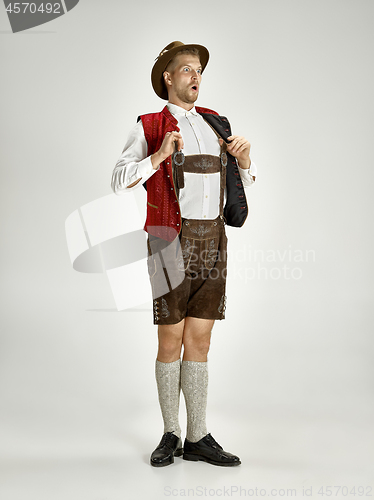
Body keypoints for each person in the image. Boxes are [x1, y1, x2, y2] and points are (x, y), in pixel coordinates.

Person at [111, 41, 257, 467]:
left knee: (202, 338)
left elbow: (233, 188)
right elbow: (118, 180)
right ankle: (170, 432)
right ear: (168, 78)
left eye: (199, 70)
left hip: (213, 240)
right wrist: (157, 156)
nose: (195, 76)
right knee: (170, 336)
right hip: (167, 237)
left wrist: (245, 162)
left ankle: (197, 436)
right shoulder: (149, 125)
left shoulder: (216, 125)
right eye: (187, 69)